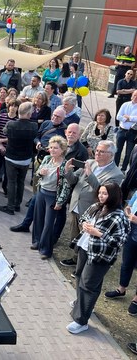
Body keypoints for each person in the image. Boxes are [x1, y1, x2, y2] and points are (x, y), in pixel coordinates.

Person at [67, 182, 129, 334]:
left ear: (113, 196)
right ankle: (83, 305)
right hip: (85, 247)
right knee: (81, 277)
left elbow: (119, 241)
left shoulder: (119, 216)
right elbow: (83, 218)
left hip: (101, 256)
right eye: (100, 193)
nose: (101, 196)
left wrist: (99, 233)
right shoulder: (96, 207)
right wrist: (84, 225)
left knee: (88, 285)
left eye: (105, 194)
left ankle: (81, 321)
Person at [60, 140, 123, 268]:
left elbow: (104, 192)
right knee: (75, 235)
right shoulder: (89, 163)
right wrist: (67, 172)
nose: (97, 153)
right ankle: (75, 259)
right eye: (97, 150)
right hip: (75, 205)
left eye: (101, 151)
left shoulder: (116, 174)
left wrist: (89, 174)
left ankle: (82, 265)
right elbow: (74, 181)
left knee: (88, 239)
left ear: (111, 155)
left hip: (92, 211)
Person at [31, 136, 71, 259]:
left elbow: (66, 186)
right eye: (51, 147)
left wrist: (60, 202)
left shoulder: (65, 165)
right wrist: (40, 173)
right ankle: (37, 242)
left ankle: (46, 249)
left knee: (49, 224)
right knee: (38, 219)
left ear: (62, 150)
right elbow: (37, 173)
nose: (52, 150)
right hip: (42, 192)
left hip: (53, 196)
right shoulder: (47, 159)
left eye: (55, 148)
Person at [0, 102, 38, 215]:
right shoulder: (34, 126)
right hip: (25, 159)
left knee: (11, 182)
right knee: (21, 182)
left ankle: (10, 207)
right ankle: (17, 205)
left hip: (11, 157)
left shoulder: (11, 124)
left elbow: (5, 132)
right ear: (29, 113)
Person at [104, 189, 137, 314]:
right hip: (131, 232)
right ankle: (121, 289)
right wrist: (128, 211)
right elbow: (128, 205)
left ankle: (136, 300)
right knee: (126, 263)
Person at [0, 99, 19, 194]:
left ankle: (5, 188)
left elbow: (15, 136)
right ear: (8, 106)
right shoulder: (2, 117)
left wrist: (3, 141)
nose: (13, 108)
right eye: (11, 106)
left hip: (10, 149)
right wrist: (0, 144)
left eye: (15, 106)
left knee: (8, 171)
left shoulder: (17, 121)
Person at [115, 90, 137, 171]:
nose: (135, 98)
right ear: (132, 95)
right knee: (117, 150)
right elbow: (118, 116)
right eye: (134, 95)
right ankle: (115, 167)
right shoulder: (125, 104)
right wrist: (130, 119)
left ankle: (123, 169)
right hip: (122, 130)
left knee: (129, 153)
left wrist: (129, 117)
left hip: (132, 132)